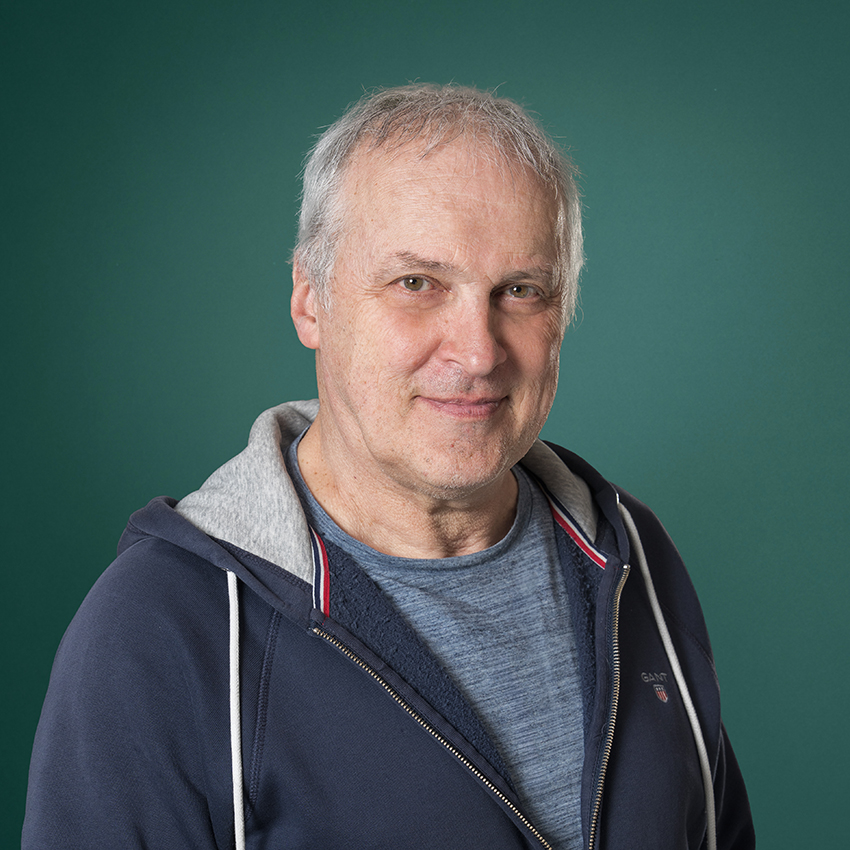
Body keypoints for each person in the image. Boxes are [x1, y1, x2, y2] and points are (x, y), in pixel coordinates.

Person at [23, 84, 754, 850]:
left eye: (520, 291)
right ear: (310, 300)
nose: (477, 352)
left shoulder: (631, 554)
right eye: (417, 284)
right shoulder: (159, 630)